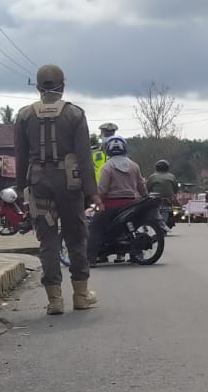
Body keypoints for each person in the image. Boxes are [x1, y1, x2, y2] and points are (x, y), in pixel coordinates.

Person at [15, 65, 101, 314]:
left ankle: (54, 300)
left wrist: (22, 189)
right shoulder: (74, 114)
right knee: (75, 237)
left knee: (48, 239)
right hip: (70, 183)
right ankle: (81, 295)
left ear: (39, 86)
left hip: (38, 182)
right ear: (62, 85)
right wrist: (92, 191)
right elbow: (85, 157)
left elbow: (20, 157)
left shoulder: (24, 115)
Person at [91, 136, 147, 261]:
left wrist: (97, 202)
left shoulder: (107, 167)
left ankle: (91, 258)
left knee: (94, 228)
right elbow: (141, 186)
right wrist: (145, 197)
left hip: (111, 205)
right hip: (131, 204)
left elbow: (103, 190)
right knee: (135, 227)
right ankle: (136, 254)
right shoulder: (134, 165)